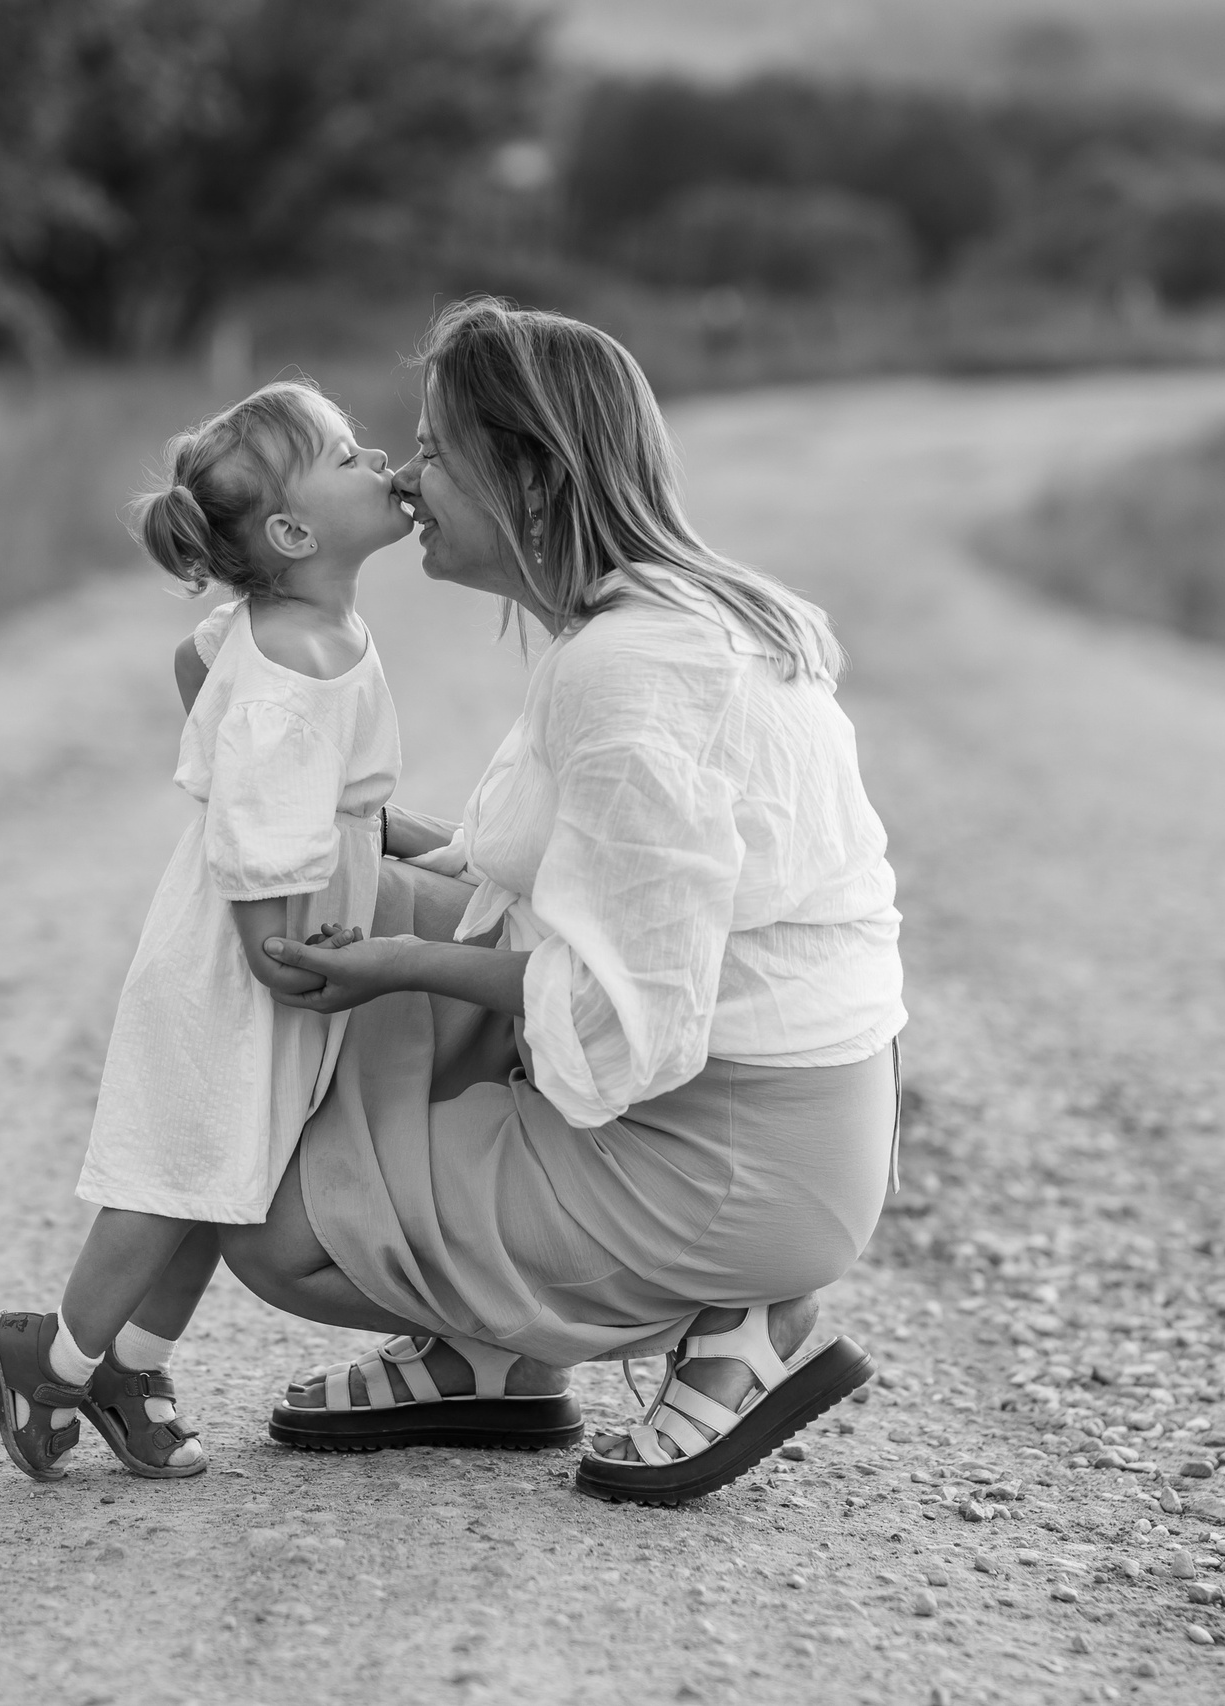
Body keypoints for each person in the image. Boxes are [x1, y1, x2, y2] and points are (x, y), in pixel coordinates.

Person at [218, 298, 909, 1505]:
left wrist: (395, 961)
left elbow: (620, 995)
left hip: (734, 1151)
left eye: (434, 447)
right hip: (764, 1101)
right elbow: (573, 877)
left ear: (528, 475)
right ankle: (492, 1357)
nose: (402, 471)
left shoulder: (626, 675)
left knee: (273, 1233)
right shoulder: (646, 619)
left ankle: (738, 1312)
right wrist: (350, 832)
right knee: (370, 879)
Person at [0, 378, 410, 1482]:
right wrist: (282, 955)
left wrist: (386, 835)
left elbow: (202, 671)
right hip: (243, 958)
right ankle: (51, 1356)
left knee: (227, 1173)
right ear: (294, 531)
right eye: (350, 455)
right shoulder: (293, 667)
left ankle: (131, 1359)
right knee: (174, 1172)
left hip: (275, 944)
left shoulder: (304, 630)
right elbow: (264, 843)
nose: (381, 462)